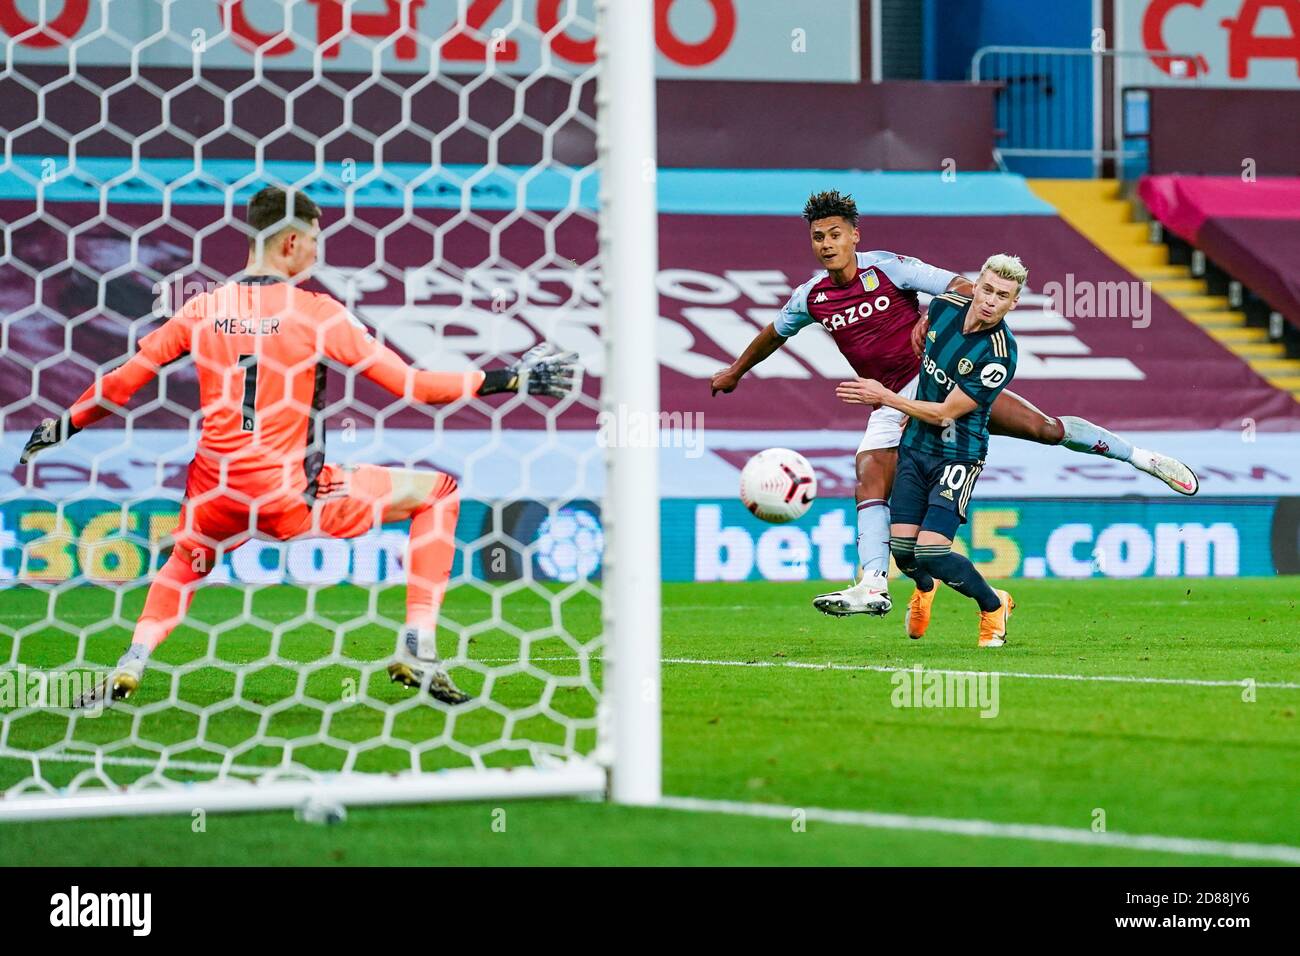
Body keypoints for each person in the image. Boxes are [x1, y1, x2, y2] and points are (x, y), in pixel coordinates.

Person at [21, 186, 577, 707]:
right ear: (291, 241)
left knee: (183, 566)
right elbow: (417, 389)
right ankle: (418, 646)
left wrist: (61, 428)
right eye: (314, 238)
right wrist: (508, 379)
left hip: (214, 491)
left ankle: (132, 661)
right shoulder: (315, 313)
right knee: (439, 493)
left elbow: (119, 383)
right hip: (288, 497)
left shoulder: (201, 308)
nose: (316, 249)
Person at [709, 190, 1198, 619]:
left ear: (855, 235)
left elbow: (963, 285)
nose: (827, 244)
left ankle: (1142, 458)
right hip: (891, 398)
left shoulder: (891, 268)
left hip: (941, 381)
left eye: (836, 234)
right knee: (869, 472)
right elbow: (774, 333)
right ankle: (875, 585)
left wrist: (932, 320)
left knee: (1046, 430)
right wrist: (735, 371)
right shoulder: (811, 297)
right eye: (819, 237)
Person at [837, 254, 1023, 647]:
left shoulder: (999, 354)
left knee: (933, 552)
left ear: (1013, 303)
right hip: (915, 446)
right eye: (986, 289)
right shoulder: (942, 307)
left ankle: (993, 606)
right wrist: (913, 402)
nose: (990, 300)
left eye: (1002, 296)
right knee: (904, 555)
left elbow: (946, 414)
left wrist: (888, 397)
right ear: (977, 285)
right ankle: (925, 589)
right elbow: (927, 360)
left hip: (958, 454)